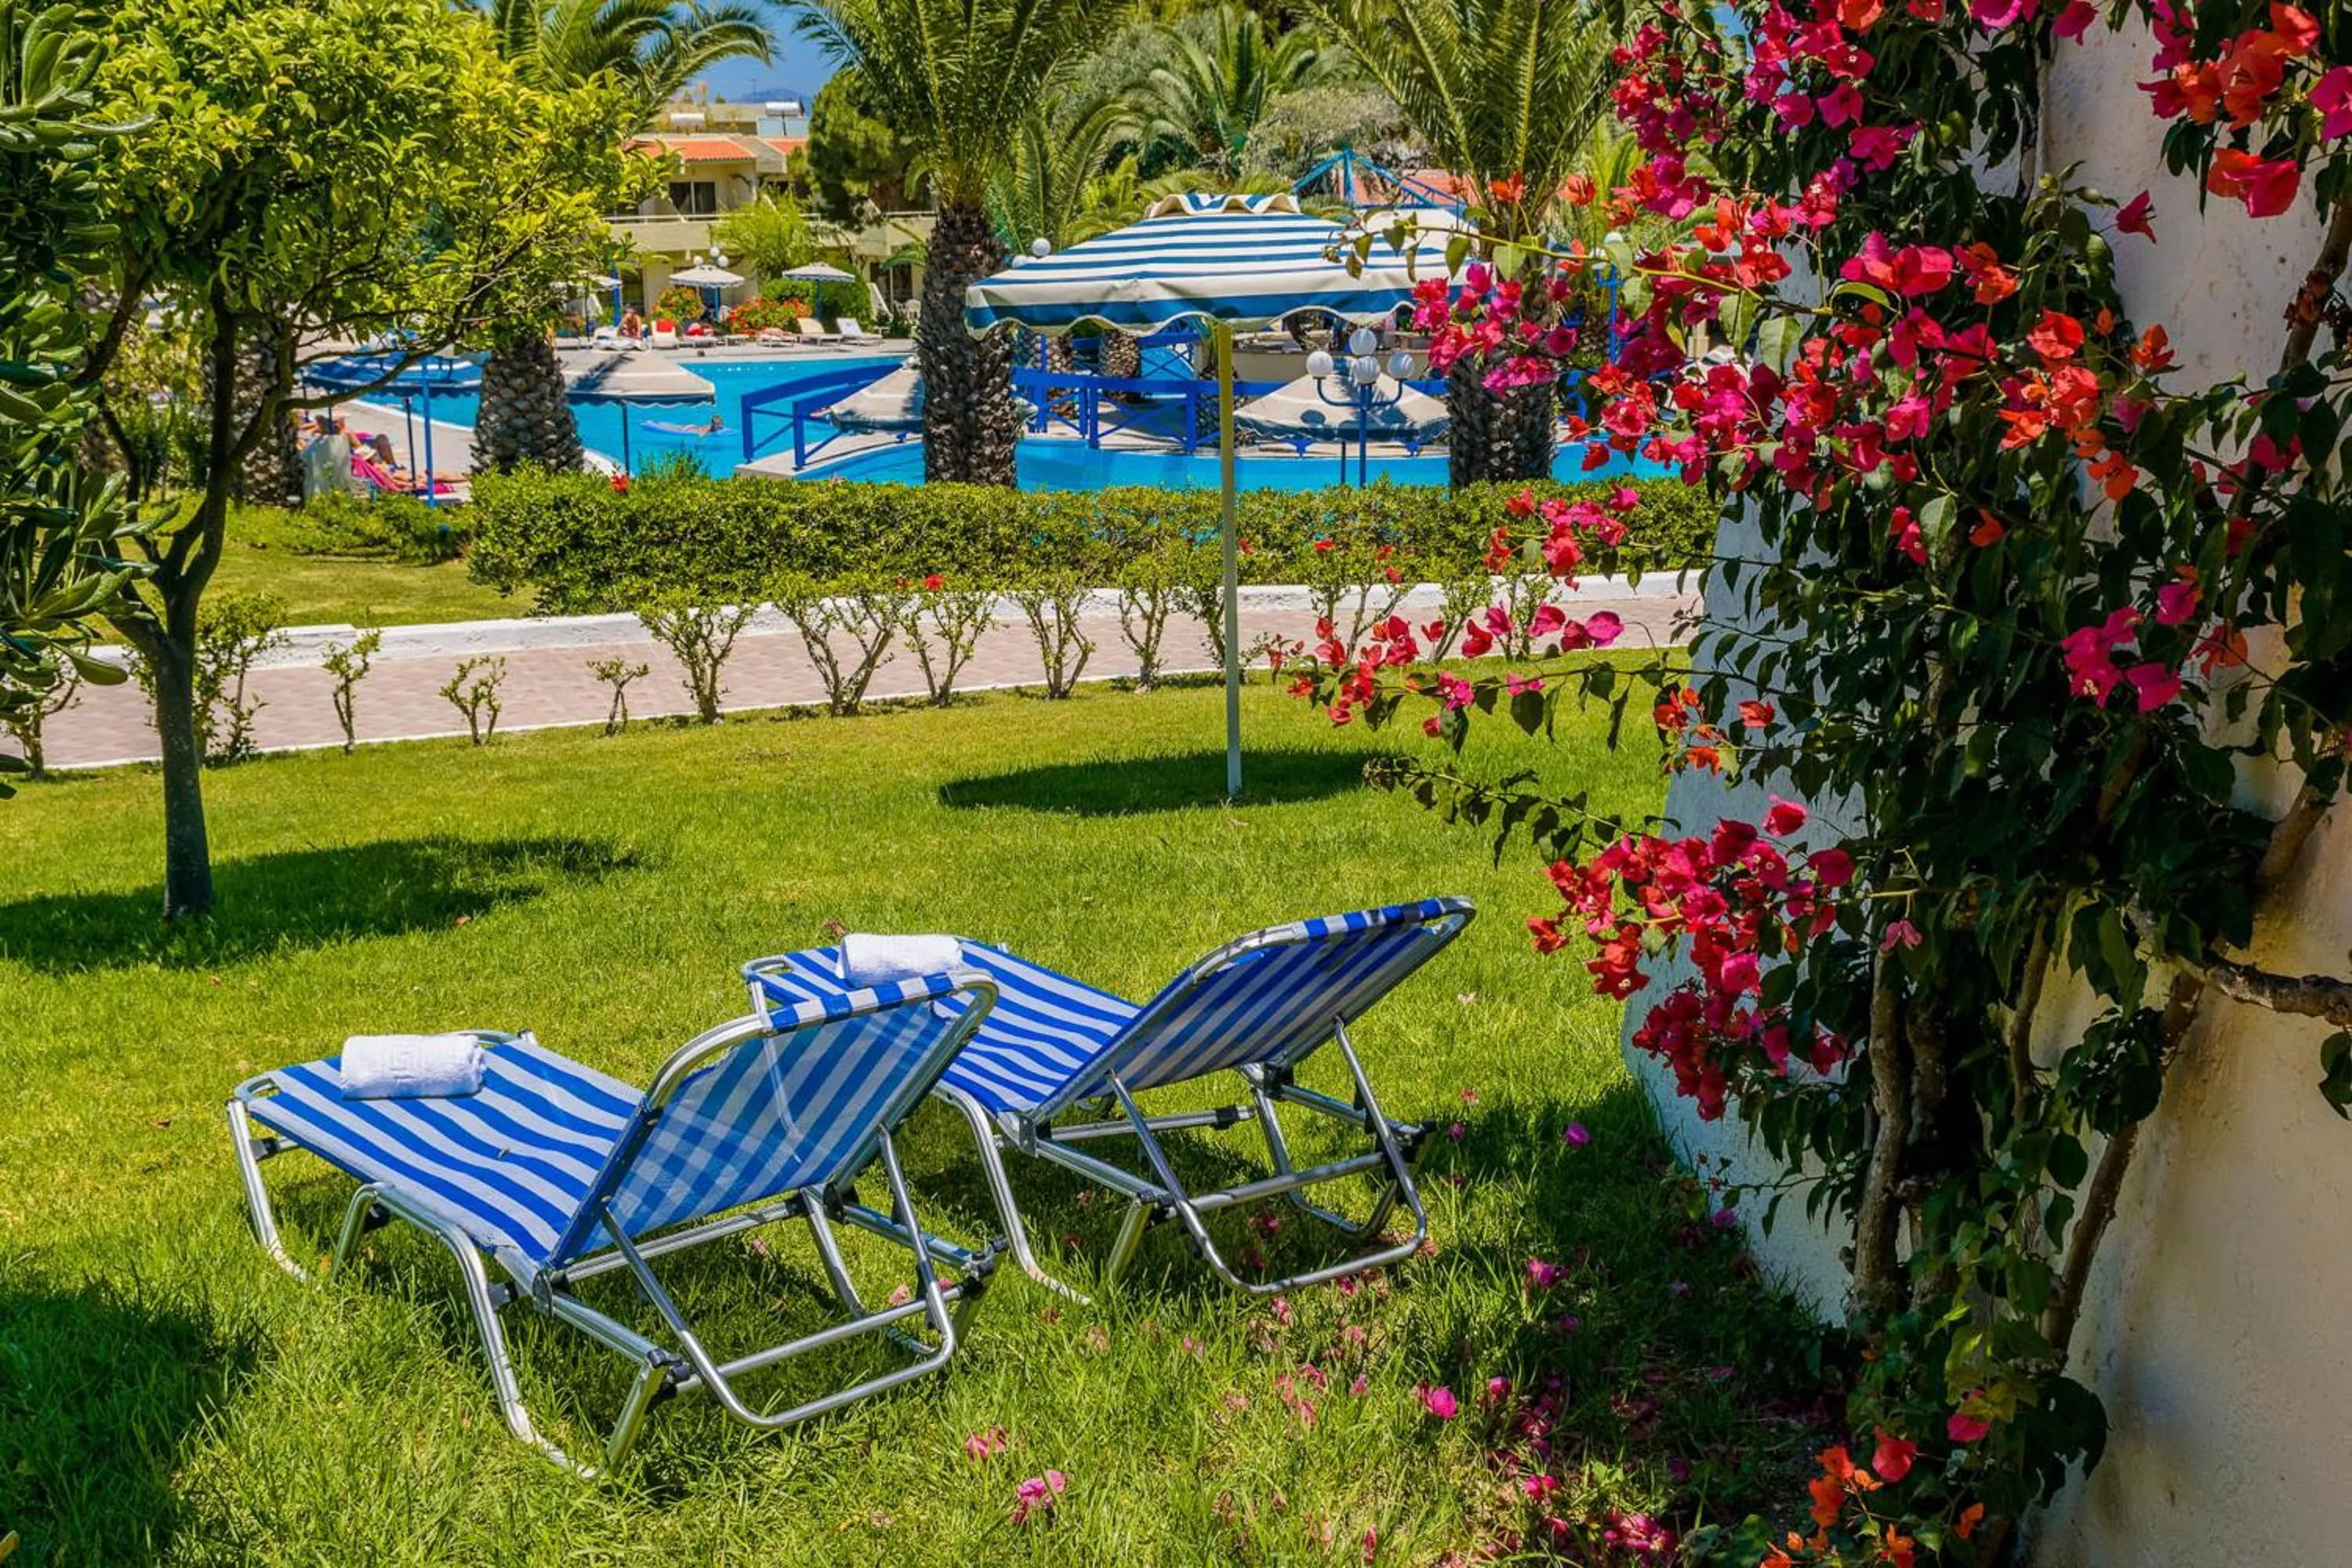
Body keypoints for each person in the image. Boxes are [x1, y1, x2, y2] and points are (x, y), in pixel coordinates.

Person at [301, 413, 357, 501]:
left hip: (330, 467)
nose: (335, 425)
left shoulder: (318, 440)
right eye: (333, 423)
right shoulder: (341, 436)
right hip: (340, 464)